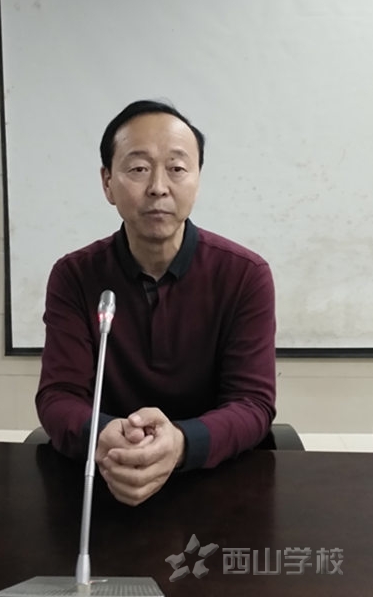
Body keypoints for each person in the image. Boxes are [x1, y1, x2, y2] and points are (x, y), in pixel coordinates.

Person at [36, 99, 276, 506]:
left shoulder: (244, 275)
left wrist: (180, 443)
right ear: (107, 182)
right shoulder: (74, 276)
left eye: (177, 168)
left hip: (216, 480)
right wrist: (105, 436)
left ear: (197, 180)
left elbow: (252, 403)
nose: (158, 187)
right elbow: (58, 396)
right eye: (138, 169)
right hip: (108, 475)